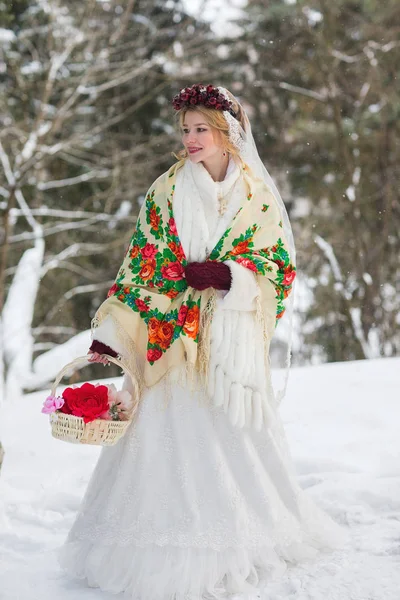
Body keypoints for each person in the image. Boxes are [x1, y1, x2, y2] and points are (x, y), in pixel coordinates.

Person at [58, 84, 346, 599]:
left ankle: (244, 536)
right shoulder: (165, 191)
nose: (190, 139)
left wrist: (231, 277)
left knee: (233, 442)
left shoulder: (257, 195)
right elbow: (143, 265)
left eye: (201, 130)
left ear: (228, 133)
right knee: (160, 445)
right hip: (169, 339)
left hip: (227, 350)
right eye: (185, 130)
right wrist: (111, 336)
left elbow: (278, 267)